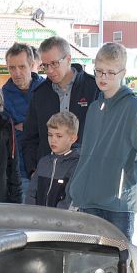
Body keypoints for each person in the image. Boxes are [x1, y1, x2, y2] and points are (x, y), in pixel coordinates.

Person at [67, 42, 137, 241]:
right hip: (88, 201)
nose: (103, 77)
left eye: (110, 72)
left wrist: (123, 182)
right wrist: (76, 188)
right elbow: (87, 154)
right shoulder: (93, 108)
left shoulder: (133, 108)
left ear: (122, 72)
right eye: (99, 71)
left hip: (117, 206)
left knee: (119, 265)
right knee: (88, 262)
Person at [22, 36, 98, 184]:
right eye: (45, 65)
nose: (49, 70)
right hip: (47, 178)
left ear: (68, 59)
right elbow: (29, 138)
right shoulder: (39, 94)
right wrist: (33, 172)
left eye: (55, 64)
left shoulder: (93, 89)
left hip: (84, 178)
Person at [1, 43, 46, 196]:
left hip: (48, 166)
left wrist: (24, 125)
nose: (17, 72)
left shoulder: (48, 89)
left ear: (32, 65)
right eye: (12, 68)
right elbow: (7, 130)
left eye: (21, 66)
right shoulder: (3, 96)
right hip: (19, 170)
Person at [25, 111, 80, 208]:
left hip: (61, 220)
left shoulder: (76, 165)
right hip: (37, 219)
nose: (53, 140)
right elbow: (31, 193)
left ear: (73, 138)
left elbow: (69, 199)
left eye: (59, 136)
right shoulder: (43, 162)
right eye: (50, 135)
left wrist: (54, 219)